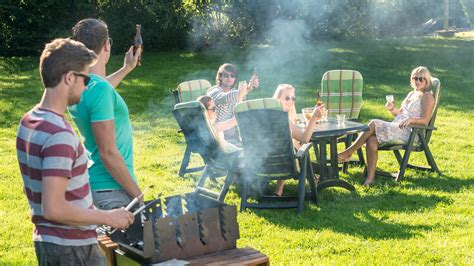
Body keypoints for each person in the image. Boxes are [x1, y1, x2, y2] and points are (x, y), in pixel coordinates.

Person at [15, 38, 134, 265]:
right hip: (71, 248)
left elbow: (30, 187)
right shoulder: (59, 135)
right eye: (85, 78)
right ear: (70, 78)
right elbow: (54, 208)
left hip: (49, 243)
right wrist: (108, 216)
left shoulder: (29, 121)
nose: (88, 85)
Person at [68, 18, 143, 209]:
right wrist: (138, 195)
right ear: (106, 45)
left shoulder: (79, 85)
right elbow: (108, 153)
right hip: (112, 191)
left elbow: (101, 88)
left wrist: (127, 68)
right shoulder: (99, 90)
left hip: (95, 186)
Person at [338, 66, 435, 186]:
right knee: (372, 139)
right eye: (415, 78)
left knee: (373, 123)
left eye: (421, 79)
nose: (417, 81)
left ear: (427, 80)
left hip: (411, 133)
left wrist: (411, 119)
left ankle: (349, 152)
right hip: (397, 127)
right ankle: (370, 178)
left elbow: (425, 121)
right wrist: (392, 109)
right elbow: (401, 114)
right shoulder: (412, 94)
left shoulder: (427, 96)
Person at [272, 84, 323, 196]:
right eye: (287, 98)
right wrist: (314, 117)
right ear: (277, 99)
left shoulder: (267, 114)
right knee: (298, 145)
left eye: (293, 98)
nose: (291, 101)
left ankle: (279, 189)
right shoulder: (282, 117)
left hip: (261, 162)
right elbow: (305, 139)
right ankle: (313, 177)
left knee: (293, 143)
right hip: (281, 162)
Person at [207, 63, 259, 145]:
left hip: (234, 135)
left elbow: (238, 103)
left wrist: (248, 88)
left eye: (232, 75)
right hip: (219, 136)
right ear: (220, 77)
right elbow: (224, 97)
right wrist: (243, 91)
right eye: (226, 75)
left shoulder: (233, 92)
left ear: (235, 78)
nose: (229, 78)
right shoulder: (214, 91)